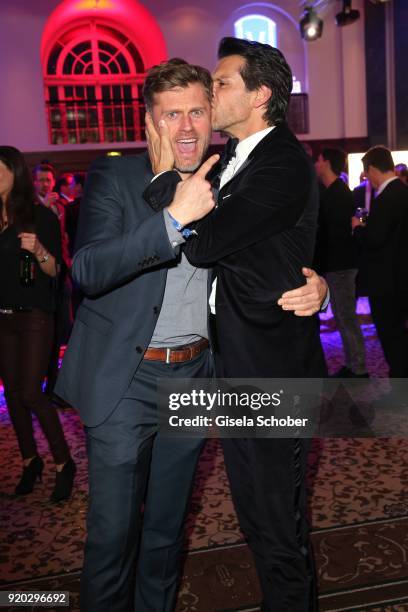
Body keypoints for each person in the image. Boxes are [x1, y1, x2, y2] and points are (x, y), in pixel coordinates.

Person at [55, 56, 327, 612]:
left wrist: (317, 287)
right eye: (170, 114)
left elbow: (275, 247)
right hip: (125, 379)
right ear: (149, 122)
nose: (185, 127)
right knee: (111, 537)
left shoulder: (231, 172)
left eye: (196, 111)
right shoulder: (117, 176)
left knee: (165, 534)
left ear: (212, 116)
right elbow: (87, 269)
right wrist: (171, 219)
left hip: (199, 375)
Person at [144, 39, 328, 611]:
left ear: (261, 95)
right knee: (253, 507)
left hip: (274, 369)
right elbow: (252, 251)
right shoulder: (227, 160)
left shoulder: (282, 163)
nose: (210, 90)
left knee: (278, 518)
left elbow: (207, 245)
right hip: (234, 358)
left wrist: (162, 191)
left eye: (221, 83)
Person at [0, 146, 76, 502]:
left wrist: (39, 251)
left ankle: (63, 462)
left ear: (15, 173)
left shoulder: (37, 215)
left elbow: (55, 270)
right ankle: (31, 460)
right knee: (13, 395)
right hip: (2, 317)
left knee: (31, 392)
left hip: (34, 315)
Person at [352, 146, 408, 391]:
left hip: (387, 282)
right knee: (400, 336)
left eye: (366, 174)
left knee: (391, 337)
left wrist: (358, 227)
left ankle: (399, 390)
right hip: (401, 277)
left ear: (373, 169)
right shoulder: (403, 191)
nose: (368, 180)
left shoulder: (387, 197)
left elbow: (376, 239)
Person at [314, 148, 368, 377]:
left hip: (341, 266)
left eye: (318, 159)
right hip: (337, 265)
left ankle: (358, 369)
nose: (315, 164)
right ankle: (353, 364)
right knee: (344, 318)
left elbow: (335, 235)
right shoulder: (333, 191)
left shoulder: (337, 193)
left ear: (326, 163)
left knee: (347, 318)